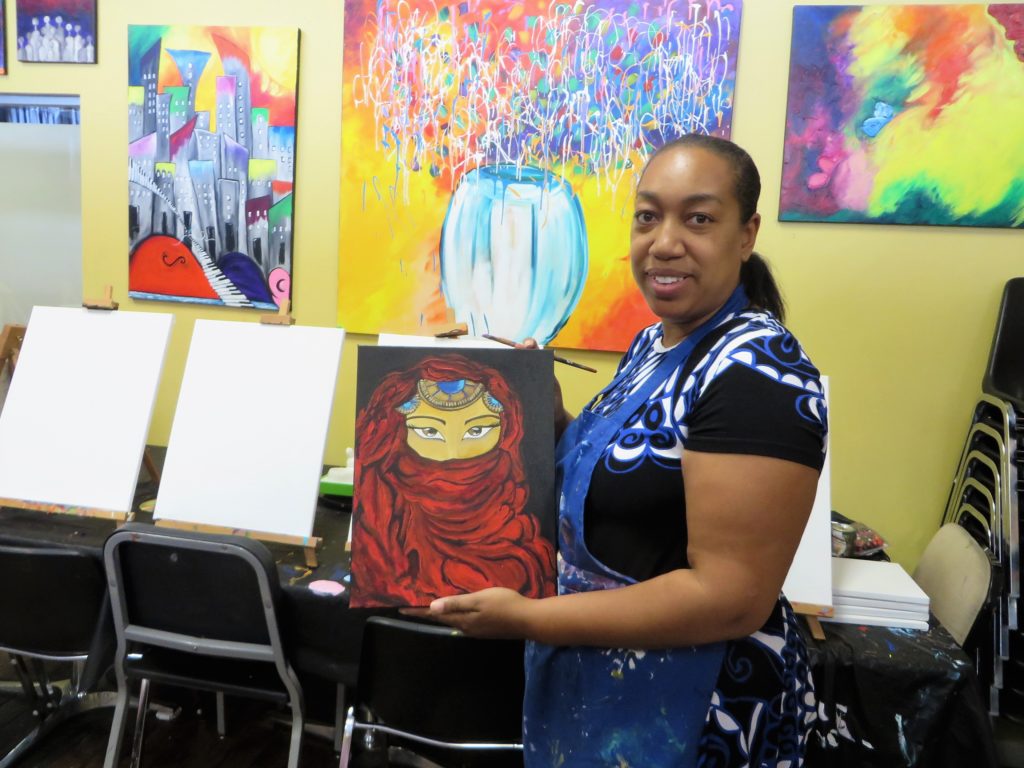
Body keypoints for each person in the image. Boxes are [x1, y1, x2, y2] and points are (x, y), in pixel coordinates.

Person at [418, 134, 828, 767]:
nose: (664, 241)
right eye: (647, 216)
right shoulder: (652, 346)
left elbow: (730, 597)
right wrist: (548, 415)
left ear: (746, 235)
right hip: (600, 688)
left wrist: (529, 618)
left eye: (697, 218)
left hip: (693, 711)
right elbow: (622, 479)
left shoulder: (757, 375)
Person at [350, 354, 556, 608]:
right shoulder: (382, 508)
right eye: (429, 431)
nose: (453, 452)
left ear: (507, 429)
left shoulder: (515, 505)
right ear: (398, 432)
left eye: (477, 431)